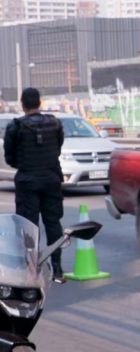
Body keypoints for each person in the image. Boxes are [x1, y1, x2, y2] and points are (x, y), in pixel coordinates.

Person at [4, 88, 66, 284]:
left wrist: (25, 164)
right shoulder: (55, 123)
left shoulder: (16, 126)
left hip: (27, 180)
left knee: (28, 227)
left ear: (22, 104)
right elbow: (58, 148)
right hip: (51, 178)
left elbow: (9, 157)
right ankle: (57, 267)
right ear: (39, 102)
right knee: (53, 223)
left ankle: (30, 269)